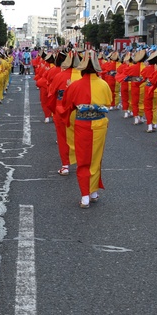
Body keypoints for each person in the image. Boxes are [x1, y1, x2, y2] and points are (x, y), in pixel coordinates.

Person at [63, 51, 113, 208]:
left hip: (82, 124)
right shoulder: (104, 84)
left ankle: (85, 195)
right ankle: (93, 192)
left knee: (83, 159)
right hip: (99, 124)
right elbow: (109, 103)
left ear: (82, 68)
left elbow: (67, 105)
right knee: (96, 158)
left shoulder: (75, 85)